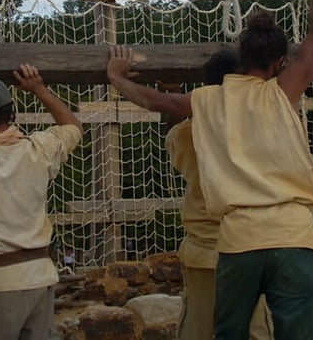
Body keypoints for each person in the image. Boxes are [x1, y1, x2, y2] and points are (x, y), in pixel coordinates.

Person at [108, 0, 313, 340]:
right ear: (279, 64)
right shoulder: (283, 91)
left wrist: (117, 78)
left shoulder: (206, 101)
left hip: (238, 240)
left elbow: (159, 102)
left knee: (226, 333)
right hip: (294, 234)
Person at [106, 47, 274, 340]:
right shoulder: (263, 124)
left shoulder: (189, 133)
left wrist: (117, 77)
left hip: (206, 253)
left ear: (207, 87)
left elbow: (175, 130)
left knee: (197, 327)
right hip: (252, 246)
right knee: (256, 329)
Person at [0, 64, 83, 339]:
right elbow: (73, 126)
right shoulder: (38, 149)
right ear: (12, 113)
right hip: (39, 278)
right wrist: (39, 89)